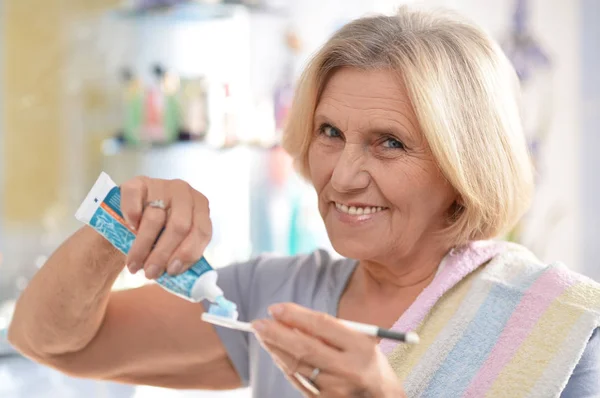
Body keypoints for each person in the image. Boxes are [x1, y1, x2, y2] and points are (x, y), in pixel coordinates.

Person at [8, 6, 600, 398]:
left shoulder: (564, 324)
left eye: (388, 144)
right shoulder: (277, 298)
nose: (342, 177)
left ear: (463, 164)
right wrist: (120, 223)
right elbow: (51, 341)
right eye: (329, 133)